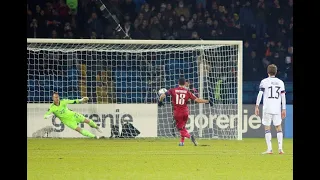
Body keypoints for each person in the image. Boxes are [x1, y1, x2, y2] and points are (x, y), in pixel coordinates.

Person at [158, 77, 213, 146]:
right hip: (186, 112)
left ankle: (190, 137)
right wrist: (207, 101)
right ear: (184, 84)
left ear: (178, 83)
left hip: (177, 113)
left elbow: (163, 95)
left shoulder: (173, 90)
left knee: (181, 129)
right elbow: (197, 100)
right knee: (183, 127)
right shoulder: (187, 92)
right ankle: (182, 142)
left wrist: (160, 101)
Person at [255, 64, 286, 154]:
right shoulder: (280, 82)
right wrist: (284, 109)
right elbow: (283, 96)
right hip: (277, 108)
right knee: (278, 127)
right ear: (276, 72)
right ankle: (280, 149)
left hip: (267, 107)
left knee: (267, 127)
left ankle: (270, 149)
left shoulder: (264, 81)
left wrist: (257, 106)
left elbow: (260, 94)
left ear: (268, 72)